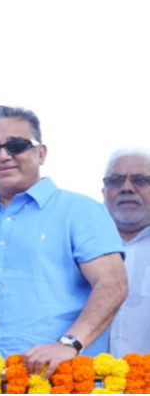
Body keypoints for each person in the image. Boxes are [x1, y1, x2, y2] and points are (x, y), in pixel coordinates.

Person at [0, 106, 127, 378]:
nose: (3, 156)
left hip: (57, 381)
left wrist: (69, 344)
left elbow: (113, 284)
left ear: (41, 153)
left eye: (16, 145)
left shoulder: (80, 211)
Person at [103, 148, 150, 356]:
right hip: (84, 374)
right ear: (103, 191)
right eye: (115, 181)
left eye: (140, 180)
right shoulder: (78, 247)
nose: (127, 188)